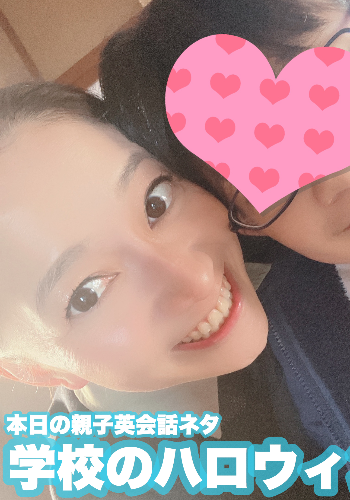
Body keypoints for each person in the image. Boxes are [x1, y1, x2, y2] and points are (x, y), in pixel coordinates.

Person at [99, 0, 350, 495]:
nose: (340, 176)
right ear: (242, 223)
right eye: (266, 174)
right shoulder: (291, 353)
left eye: (335, 95)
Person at [0, 82, 325, 499]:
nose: (197, 278)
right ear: (37, 370)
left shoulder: (295, 233)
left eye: (156, 202)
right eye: (87, 294)